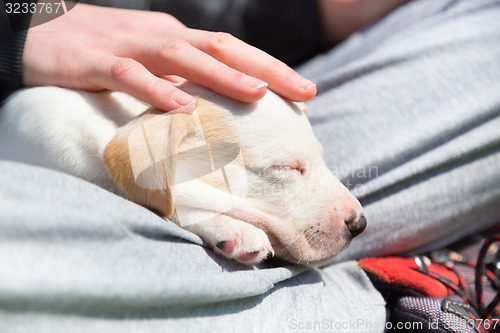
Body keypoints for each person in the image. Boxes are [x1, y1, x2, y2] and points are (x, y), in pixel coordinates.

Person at [1, 0, 499, 331]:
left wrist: (307, 9)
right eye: (290, 170)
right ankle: (364, 302)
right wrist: (14, 23)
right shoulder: (68, 133)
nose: (353, 208)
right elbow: (133, 160)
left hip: (210, 80)